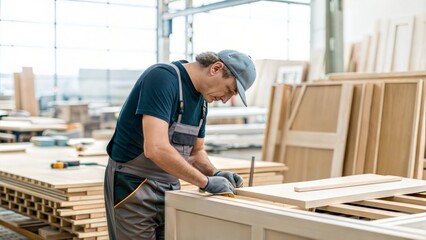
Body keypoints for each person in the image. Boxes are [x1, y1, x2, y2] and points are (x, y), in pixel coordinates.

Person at [104, 49, 256, 240]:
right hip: (133, 187)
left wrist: (215, 173)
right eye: (229, 90)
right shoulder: (162, 78)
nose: (225, 99)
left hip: (170, 189)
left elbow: (195, 152)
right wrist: (205, 182)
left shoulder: (202, 101)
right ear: (216, 68)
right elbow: (155, 148)